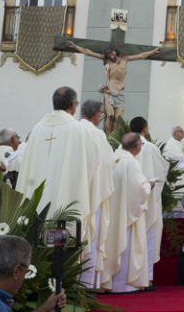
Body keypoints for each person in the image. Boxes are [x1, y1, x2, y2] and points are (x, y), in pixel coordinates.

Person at [17, 88, 92, 238]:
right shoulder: (77, 129)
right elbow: (87, 165)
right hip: (64, 200)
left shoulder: (37, 129)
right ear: (72, 105)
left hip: (35, 202)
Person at [67, 42, 161, 134]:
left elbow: (141, 55)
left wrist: (153, 52)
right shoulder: (107, 61)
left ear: (116, 51)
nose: (111, 55)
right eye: (108, 54)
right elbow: (89, 52)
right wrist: (75, 47)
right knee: (110, 115)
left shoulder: (125, 59)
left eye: (112, 52)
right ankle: (107, 137)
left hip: (120, 91)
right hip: (108, 91)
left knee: (118, 118)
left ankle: (113, 137)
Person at [101, 133, 152, 293]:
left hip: (112, 214)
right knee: (127, 246)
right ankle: (123, 284)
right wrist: (149, 186)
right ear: (136, 146)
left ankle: (110, 282)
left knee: (112, 243)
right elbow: (139, 189)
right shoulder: (132, 163)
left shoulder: (114, 158)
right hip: (127, 216)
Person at [79, 100, 115, 289]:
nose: (102, 117)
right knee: (91, 235)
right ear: (95, 114)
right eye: (101, 113)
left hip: (75, 192)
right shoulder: (97, 134)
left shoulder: (74, 130)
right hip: (94, 193)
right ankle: (86, 285)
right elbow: (108, 163)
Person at [129, 116, 169, 288]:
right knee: (148, 237)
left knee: (131, 238)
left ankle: (128, 277)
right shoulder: (151, 148)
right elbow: (162, 171)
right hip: (149, 200)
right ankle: (147, 279)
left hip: (130, 200)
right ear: (145, 129)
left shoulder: (123, 147)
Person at [161, 125, 184, 204]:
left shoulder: (181, 144)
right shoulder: (170, 144)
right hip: (177, 175)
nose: (183, 132)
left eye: (183, 131)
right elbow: (172, 157)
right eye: (181, 131)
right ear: (175, 133)